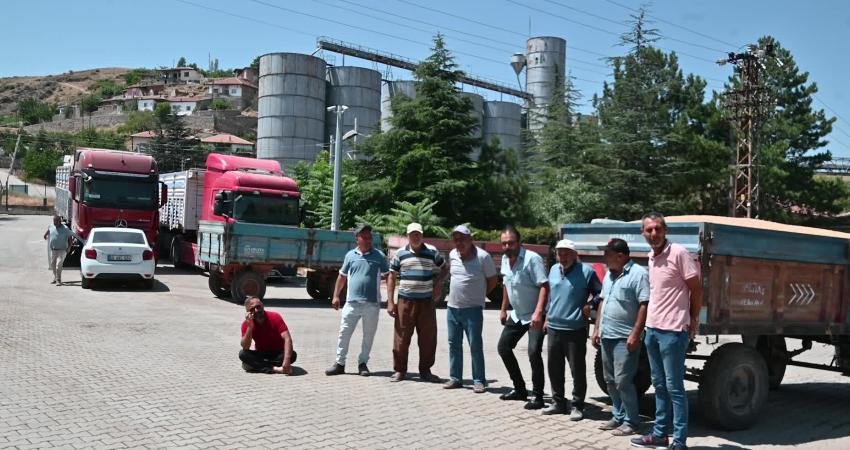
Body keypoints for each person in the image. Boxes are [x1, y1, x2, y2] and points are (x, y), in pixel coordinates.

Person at [631, 212, 702, 450]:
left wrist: (692, 319)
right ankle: (660, 434)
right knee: (659, 385)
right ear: (643, 233)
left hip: (673, 332)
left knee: (675, 388)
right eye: (649, 230)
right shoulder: (651, 256)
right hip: (652, 330)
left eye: (658, 229)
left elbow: (696, 289)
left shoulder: (679, 253)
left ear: (665, 231)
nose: (653, 234)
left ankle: (680, 441)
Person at [591, 238, 649, 436]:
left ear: (621, 256)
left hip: (625, 338)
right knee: (609, 380)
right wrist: (597, 328)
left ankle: (632, 421)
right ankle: (618, 415)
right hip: (607, 335)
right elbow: (602, 302)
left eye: (607, 254)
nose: (604, 258)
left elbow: (644, 304)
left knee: (623, 380)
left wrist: (636, 333)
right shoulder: (609, 275)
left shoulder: (638, 274)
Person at [542, 239, 601, 421]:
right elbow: (551, 297)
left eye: (567, 252)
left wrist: (590, 304)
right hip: (553, 327)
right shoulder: (553, 270)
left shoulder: (586, 272)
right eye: (560, 252)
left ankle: (577, 405)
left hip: (575, 328)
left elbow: (601, 292)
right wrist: (546, 317)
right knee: (554, 367)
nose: (563, 256)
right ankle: (558, 402)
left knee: (577, 369)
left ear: (575, 255)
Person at [386, 222, 447, 383]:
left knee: (428, 338)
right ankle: (400, 370)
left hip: (426, 302)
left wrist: (438, 284)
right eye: (412, 234)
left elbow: (445, 268)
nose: (416, 236)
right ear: (408, 236)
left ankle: (425, 371)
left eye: (418, 234)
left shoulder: (432, 251)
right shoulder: (400, 254)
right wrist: (390, 302)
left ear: (422, 235)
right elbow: (392, 276)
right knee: (401, 337)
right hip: (405, 302)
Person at [326, 224, 389, 377]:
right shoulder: (350, 256)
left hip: (372, 304)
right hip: (351, 303)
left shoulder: (379, 256)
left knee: (368, 335)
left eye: (370, 237)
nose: (368, 240)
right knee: (344, 334)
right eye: (364, 237)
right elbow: (342, 277)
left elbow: (389, 276)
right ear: (357, 239)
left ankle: (363, 363)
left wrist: (390, 300)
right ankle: (339, 364)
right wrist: (335, 296)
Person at [496, 226, 549, 409]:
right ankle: (519, 389)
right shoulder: (505, 259)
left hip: (535, 314)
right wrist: (503, 309)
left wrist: (539, 312)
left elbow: (544, 285)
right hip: (518, 314)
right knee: (504, 347)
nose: (507, 246)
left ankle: (538, 396)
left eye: (510, 243)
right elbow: (506, 285)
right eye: (504, 243)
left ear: (519, 242)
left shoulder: (532, 259)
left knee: (534, 352)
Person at [443, 225, 498, 393]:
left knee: (475, 345)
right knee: (454, 344)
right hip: (452, 307)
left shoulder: (483, 257)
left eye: (463, 239)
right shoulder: (452, 254)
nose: (459, 242)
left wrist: (480, 294)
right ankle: (455, 378)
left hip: (473, 310)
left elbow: (493, 280)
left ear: (470, 239)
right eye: (456, 239)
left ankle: (479, 380)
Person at [239, 297, 296, 374]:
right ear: (248, 312)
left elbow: (287, 339)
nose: (256, 310)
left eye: (258, 307)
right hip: (261, 353)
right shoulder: (246, 324)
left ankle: (258, 365)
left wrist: (287, 359)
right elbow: (245, 346)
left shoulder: (275, 317)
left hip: (277, 353)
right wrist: (250, 327)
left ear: (262, 305)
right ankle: (275, 369)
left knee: (292, 355)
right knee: (243, 354)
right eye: (252, 309)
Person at [43, 215, 73, 285]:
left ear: (60, 221)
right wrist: (45, 235)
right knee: (53, 264)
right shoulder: (51, 226)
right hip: (54, 249)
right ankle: (55, 277)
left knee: (58, 264)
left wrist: (69, 248)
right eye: (54, 221)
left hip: (62, 250)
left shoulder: (65, 228)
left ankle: (58, 280)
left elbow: (70, 239)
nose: (55, 223)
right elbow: (49, 230)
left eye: (56, 221)